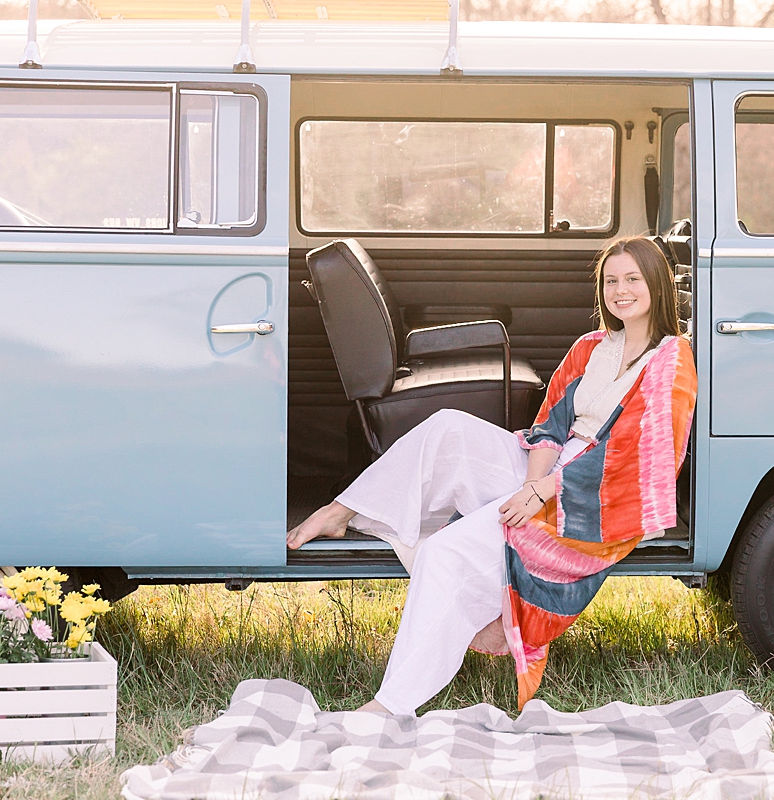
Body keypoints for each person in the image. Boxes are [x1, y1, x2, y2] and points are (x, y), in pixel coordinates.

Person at [287, 236, 698, 715]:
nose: (620, 290)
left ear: (657, 285)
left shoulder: (672, 357)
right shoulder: (592, 347)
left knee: (446, 552)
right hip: (552, 469)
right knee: (447, 429)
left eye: (633, 279)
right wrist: (530, 487)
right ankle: (342, 510)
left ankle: (389, 705)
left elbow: (636, 455)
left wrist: (544, 493)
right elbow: (549, 424)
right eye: (611, 280)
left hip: (596, 501)